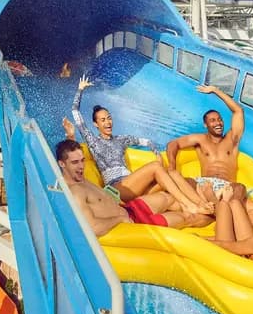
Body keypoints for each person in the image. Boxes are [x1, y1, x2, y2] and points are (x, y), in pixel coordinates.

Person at [65, 74, 211, 216]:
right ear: (95, 124)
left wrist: (156, 153)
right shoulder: (93, 141)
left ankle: (201, 204)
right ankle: (189, 205)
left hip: (133, 187)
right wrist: (80, 89)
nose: (108, 122)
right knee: (155, 167)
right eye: (102, 120)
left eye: (109, 118)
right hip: (116, 189)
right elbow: (75, 112)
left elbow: (146, 141)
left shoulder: (122, 139)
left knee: (171, 174)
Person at [55, 139, 200, 235]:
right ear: (62, 164)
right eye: (75, 163)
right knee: (188, 217)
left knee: (168, 197)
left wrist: (70, 135)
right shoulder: (75, 193)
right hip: (134, 223)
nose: (81, 166)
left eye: (82, 161)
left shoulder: (80, 178)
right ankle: (211, 217)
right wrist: (120, 219)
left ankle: (202, 204)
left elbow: (71, 156)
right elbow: (92, 228)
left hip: (128, 208)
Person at [165, 84, 246, 203]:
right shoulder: (200, 140)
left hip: (226, 187)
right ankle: (209, 206)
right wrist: (172, 166)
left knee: (240, 188)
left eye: (220, 119)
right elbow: (173, 144)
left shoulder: (232, 139)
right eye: (212, 121)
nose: (218, 123)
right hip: (204, 184)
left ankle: (220, 209)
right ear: (205, 125)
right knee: (186, 182)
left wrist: (215, 90)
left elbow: (238, 111)